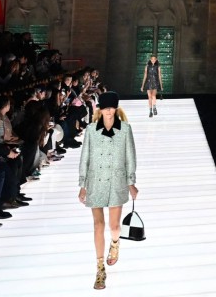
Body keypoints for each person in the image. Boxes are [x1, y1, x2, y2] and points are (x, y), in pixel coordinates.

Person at [77, 91, 137, 291]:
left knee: (115, 227)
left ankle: (115, 243)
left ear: (116, 108)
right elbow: (84, 157)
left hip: (117, 182)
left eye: (112, 107)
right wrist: (82, 184)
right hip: (95, 181)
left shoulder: (125, 129)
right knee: (98, 225)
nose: (109, 111)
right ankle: (100, 268)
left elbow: (130, 157)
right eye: (106, 107)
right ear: (100, 108)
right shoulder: (91, 130)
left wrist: (131, 182)